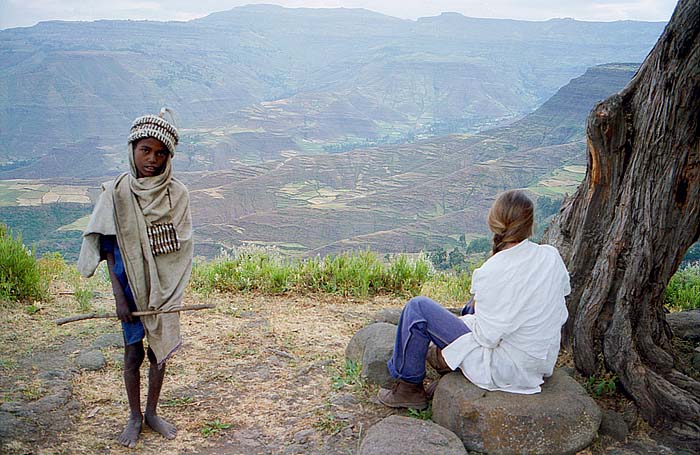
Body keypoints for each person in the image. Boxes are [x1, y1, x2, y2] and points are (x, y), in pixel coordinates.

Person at [378, 189, 570, 410]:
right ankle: (443, 364)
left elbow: (488, 337)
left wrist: (456, 335)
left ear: (493, 222)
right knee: (470, 308)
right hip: (540, 361)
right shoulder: (551, 256)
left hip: (507, 368)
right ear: (530, 223)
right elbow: (557, 294)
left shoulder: (492, 270)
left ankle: (408, 388)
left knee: (417, 309)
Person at [78, 108, 193, 448]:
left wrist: (169, 294)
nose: (152, 160)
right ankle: (133, 415)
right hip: (128, 288)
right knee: (133, 354)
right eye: (145, 150)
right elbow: (110, 251)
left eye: (161, 153)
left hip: (165, 290)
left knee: (159, 353)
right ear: (132, 149)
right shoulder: (116, 193)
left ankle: (152, 412)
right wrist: (120, 298)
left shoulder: (178, 195)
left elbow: (179, 250)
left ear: (169, 157)